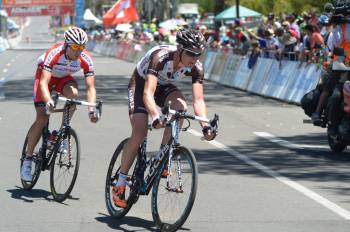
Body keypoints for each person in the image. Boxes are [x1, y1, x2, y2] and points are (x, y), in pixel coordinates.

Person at [112, 29, 217, 208]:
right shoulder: (161, 57)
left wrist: (206, 126)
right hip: (141, 85)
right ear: (180, 49)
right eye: (191, 53)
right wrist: (155, 116)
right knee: (139, 133)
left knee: (181, 108)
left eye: (198, 54)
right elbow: (147, 93)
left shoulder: (197, 67)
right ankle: (120, 182)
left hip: (165, 86)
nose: (194, 58)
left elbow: (198, 100)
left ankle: (163, 156)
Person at [20, 26, 100, 182]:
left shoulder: (86, 59)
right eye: (75, 47)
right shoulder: (54, 53)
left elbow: (91, 87)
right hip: (46, 79)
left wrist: (91, 109)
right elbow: (43, 83)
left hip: (64, 79)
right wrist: (49, 101)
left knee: (74, 97)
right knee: (42, 117)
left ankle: (63, 134)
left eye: (82, 47)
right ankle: (27, 161)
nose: (79, 51)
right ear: (66, 45)